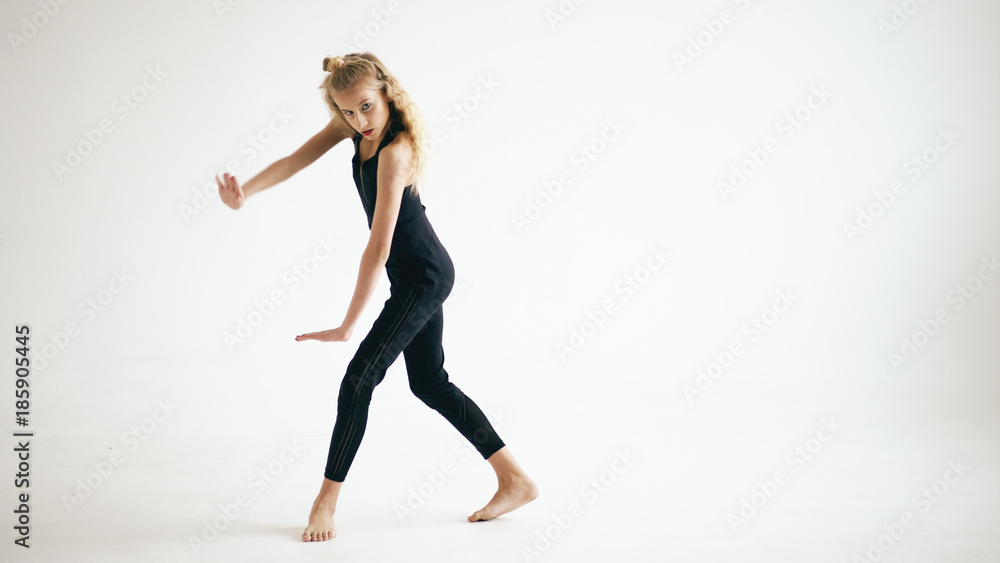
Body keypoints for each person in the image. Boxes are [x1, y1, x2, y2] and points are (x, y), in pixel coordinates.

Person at [216, 52, 537, 543]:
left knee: (358, 379)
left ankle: (326, 502)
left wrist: (348, 324)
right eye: (346, 112)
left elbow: (378, 246)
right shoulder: (356, 130)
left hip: (423, 277)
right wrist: (247, 193)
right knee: (429, 383)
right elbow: (295, 159)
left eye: (365, 107)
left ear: (386, 91)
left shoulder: (395, 151)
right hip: (415, 274)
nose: (358, 121)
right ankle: (514, 479)